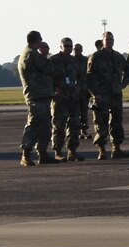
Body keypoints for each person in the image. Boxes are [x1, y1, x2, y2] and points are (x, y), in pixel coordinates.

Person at [86, 29, 129, 159]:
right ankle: (102, 149)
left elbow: (128, 71)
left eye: (111, 40)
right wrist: (94, 93)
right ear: (102, 41)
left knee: (116, 122)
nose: (109, 42)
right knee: (101, 122)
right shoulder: (96, 57)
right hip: (101, 95)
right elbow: (89, 77)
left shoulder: (118, 57)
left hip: (115, 94)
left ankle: (116, 148)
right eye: (107, 40)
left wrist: (123, 84)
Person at [16, 30, 51, 167]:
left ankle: (42, 153)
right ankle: (26, 154)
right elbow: (48, 68)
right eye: (40, 40)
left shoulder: (27, 53)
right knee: (34, 125)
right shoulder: (32, 54)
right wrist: (46, 57)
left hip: (40, 94)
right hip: (36, 95)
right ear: (37, 40)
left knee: (44, 125)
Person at [48, 37, 87, 162]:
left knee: (74, 124)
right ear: (60, 47)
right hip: (60, 98)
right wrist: (54, 89)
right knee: (59, 125)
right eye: (66, 46)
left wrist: (78, 87)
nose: (69, 48)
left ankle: (72, 151)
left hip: (73, 97)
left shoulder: (73, 61)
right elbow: (47, 77)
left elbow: (81, 76)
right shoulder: (53, 60)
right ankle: (58, 151)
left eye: (71, 46)